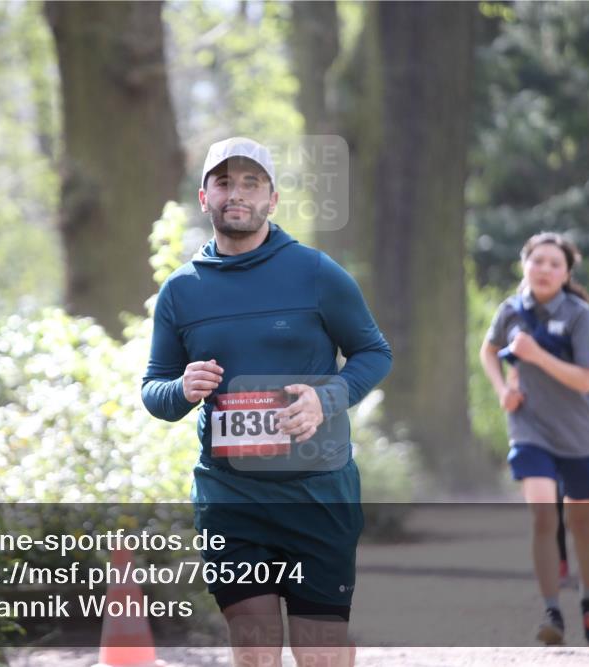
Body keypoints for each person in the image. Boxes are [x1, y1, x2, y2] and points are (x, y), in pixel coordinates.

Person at [142, 137, 391, 666]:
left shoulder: (316, 273)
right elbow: (154, 391)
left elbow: (374, 351)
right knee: (254, 649)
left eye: (251, 183)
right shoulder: (182, 291)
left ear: (272, 199)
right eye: (224, 182)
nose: (237, 194)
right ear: (205, 197)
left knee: (318, 652)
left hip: (319, 496)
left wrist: (331, 396)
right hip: (231, 498)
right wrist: (181, 389)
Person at [479, 232, 589, 646]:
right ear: (525, 265)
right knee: (542, 516)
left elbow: (587, 379)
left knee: (580, 521)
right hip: (529, 428)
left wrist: (536, 356)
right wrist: (503, 391)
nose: (545, 269)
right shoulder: (511, 311)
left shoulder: (578, 315)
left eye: (555, 263)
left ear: (567, 272)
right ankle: (551, 610)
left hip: (579, 434)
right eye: (538, 261)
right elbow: (488, 350)